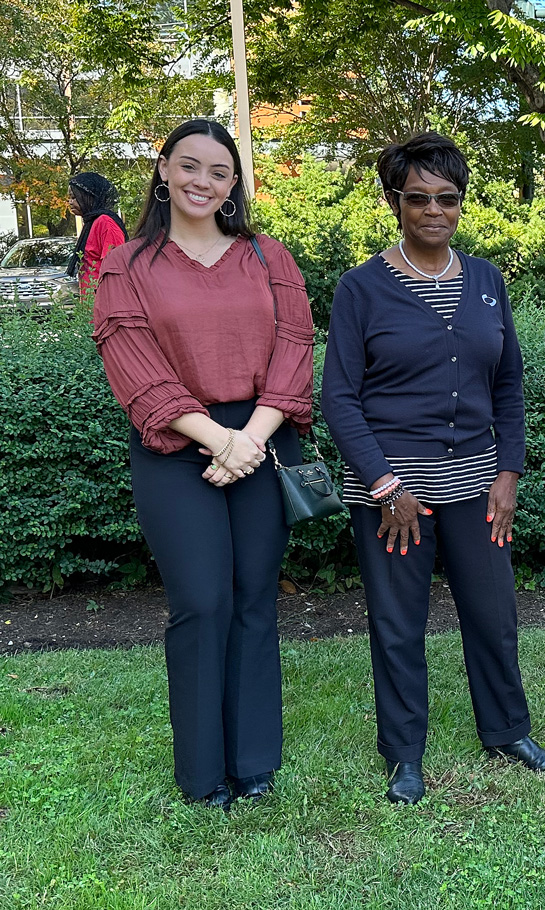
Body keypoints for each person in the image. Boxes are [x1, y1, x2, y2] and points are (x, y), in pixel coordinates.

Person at [322, 133, 545, 807]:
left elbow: (510, 385)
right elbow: (339, 399)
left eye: (448, 198)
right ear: (394, 202)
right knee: (398, 623)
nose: (435, 210)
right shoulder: (361, 289)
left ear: (462, 203)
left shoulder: (486, 280)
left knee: (493, 615)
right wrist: (384, 485)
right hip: (391, 492)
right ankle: (404, 755)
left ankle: (507, 732)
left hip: (478, 487)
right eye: (419, 198)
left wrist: (509, 471)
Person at [92, 119, 315, 809]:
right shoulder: (127, 264)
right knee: (200, 602)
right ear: (162, 170)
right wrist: (218, 441)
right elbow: (132, 363)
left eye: (219, 172)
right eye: (188, 166)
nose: (202, 182)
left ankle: (253, 764)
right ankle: (201, 774)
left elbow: (295, 345)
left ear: (234, 185)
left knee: (253, 600)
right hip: (173, 445)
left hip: (265, 433)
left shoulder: (268, 256)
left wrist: (250, 436)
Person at [66, 172, 127, 295]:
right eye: (69, 198)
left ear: (89, 197)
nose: (70, 202)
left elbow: (115, 268)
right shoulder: (91, 222)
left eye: (74, 197)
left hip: (105, 302)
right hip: (89, 303)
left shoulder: (106, 223)